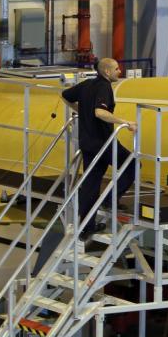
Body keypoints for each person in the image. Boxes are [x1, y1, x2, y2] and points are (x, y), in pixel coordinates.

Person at [62, 58, 138, 241]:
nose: (119, 71)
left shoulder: (87, 84)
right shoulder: (104, 87)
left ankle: (86, 227)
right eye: (116, 69)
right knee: (133, 165)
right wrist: (126, 122)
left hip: (87, 143)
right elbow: (100, 112)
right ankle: (110, 199)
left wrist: (80, 111)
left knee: (91, 184)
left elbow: (65, 94)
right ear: (106, 71)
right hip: (103, 142)